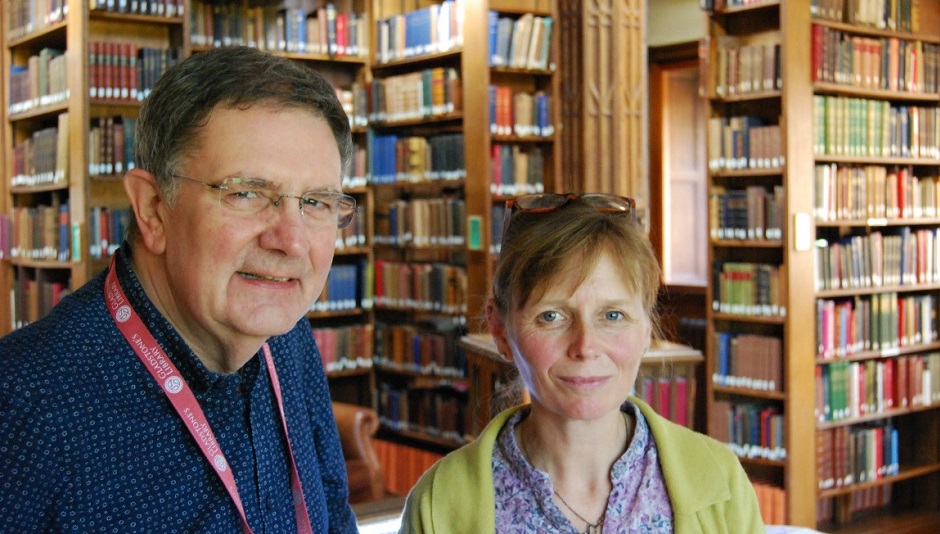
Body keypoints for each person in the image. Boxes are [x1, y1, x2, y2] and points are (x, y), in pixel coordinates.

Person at [0, 46, 361, 533]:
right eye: (247, 193)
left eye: (316, 201)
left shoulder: (286, 337)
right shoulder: (22, 404)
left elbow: (333, 515)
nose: (292, 241)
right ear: (152, 208)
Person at [400, 193, 764, 533]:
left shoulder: (721, 479)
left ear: (647, 328)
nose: (586, 347)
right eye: (552, 316)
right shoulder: (436, 505)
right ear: (499, 329)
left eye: (613, 315)